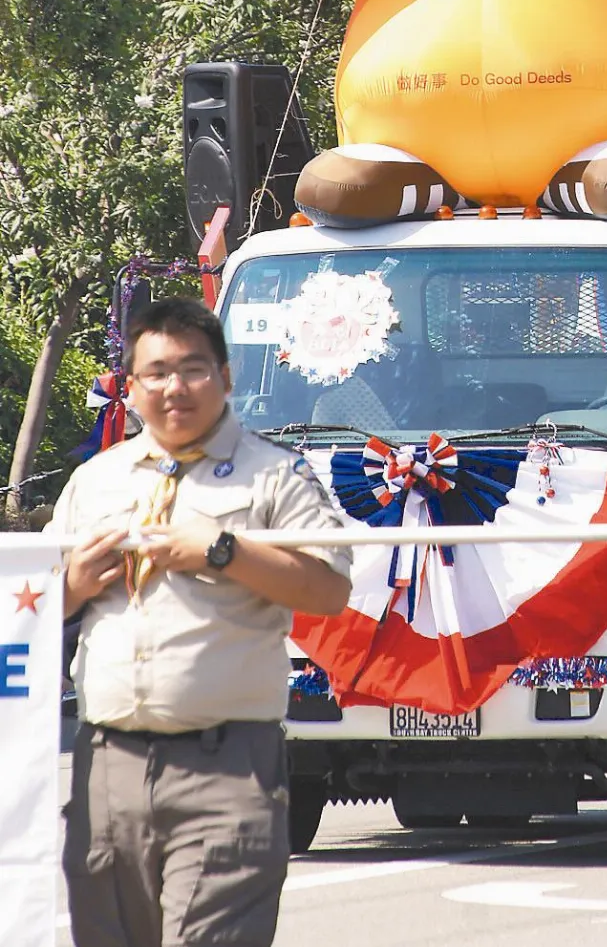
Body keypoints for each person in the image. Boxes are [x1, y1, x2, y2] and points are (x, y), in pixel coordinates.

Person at [52, 296, 352, 945]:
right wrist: (71, 587)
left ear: (225, 375)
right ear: (129, 388)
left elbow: (329, 588)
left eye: (192, 368)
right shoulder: (93, 481)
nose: (174, 387)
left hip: (228, 765)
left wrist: (223, 549)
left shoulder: (277, 475)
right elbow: (33, 603)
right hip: (106, 765)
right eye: (155, 372)